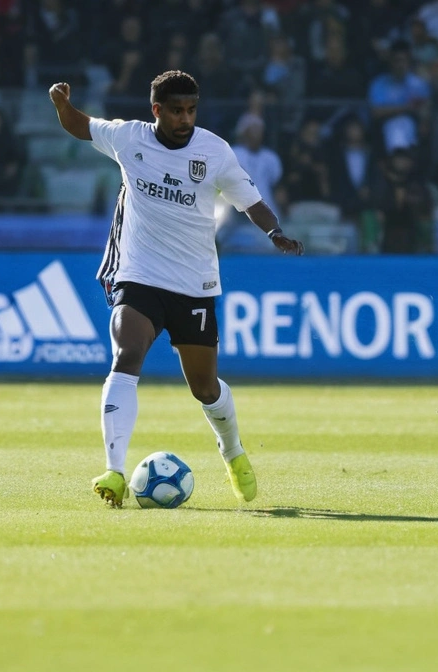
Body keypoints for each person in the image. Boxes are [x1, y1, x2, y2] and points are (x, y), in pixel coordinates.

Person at [47, 71, 304, 509]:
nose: (185, 118)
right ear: (157, 111)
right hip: (139, 274)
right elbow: (81, 125)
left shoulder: (214, 151)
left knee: (204, 388)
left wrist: (275, 231)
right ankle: (114, 470)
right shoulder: (129, 138)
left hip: (193, 283)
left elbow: (250, 200)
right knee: (127, 354)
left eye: (191, 111)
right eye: (176, 111)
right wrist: (61, 105)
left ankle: (233, 452)